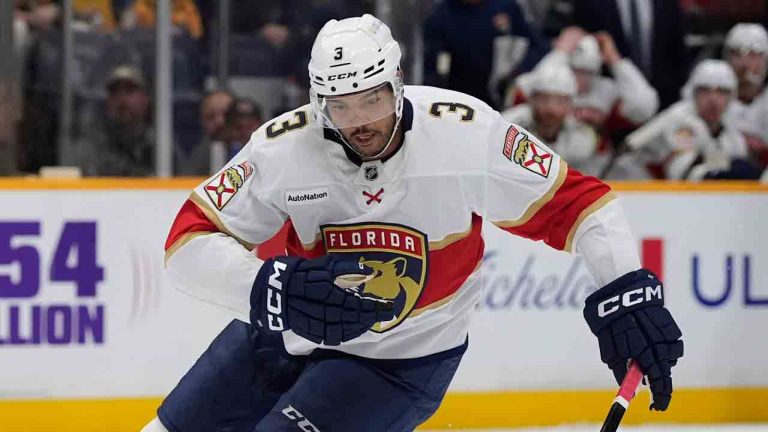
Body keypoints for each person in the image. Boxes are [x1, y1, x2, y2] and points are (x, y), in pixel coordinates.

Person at [144, 15, 682, 431]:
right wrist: (269, 287)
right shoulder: (284, 147)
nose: (359, 122)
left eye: (372, 99)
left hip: (398, 365)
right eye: (340, 105)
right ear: (316, 101)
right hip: (281, 337)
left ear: (397, 84)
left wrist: (625, 288)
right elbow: (186, 243)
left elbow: (582, 205)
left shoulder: (466, 134)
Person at [626, 60, 762, 180]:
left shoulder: (731, 130)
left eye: (722, 91)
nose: (713, 99)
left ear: (731, 97)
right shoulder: (679, 119)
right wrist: (727, 165)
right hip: (631, 187)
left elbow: (725, 160)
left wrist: (729, 164)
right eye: (705, 90)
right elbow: (683, 168)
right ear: (693, 93)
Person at [509, 28, 659, 135]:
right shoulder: (543, 78)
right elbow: (522, 93)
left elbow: (644, 106)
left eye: (587, 73)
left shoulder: (605, 91)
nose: (580, 79)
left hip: (594, 166)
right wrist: (560, 51)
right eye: (575, 71)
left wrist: (616, 61)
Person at [423, 0, 549, 107]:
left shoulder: (506, 7)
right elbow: (431, 68)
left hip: (504, 98)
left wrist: (518, 72)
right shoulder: (441, 15)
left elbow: (538, 46)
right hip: (459, 100)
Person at [571, 0, 688, 109]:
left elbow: (678, 56)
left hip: (662, 105)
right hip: (606, 108)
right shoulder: (589, 3)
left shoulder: (668, 3)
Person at [502, 64, 606, 177]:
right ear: (532, 99)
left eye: (560, 101)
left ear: (571, 104)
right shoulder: (507, 125)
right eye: (544, 99)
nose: (551, 108)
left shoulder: (583, 136)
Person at [74, 64, 154, 176]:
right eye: (115, 92)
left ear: (145, 99)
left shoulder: (160, 146)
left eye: (129, 91)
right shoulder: (92, 146)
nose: (122, 99)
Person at [722, 23, 768, 156]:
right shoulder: (706, 99)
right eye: (737, 54)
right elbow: (704, 158)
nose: (744, 63)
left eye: (753, 55)